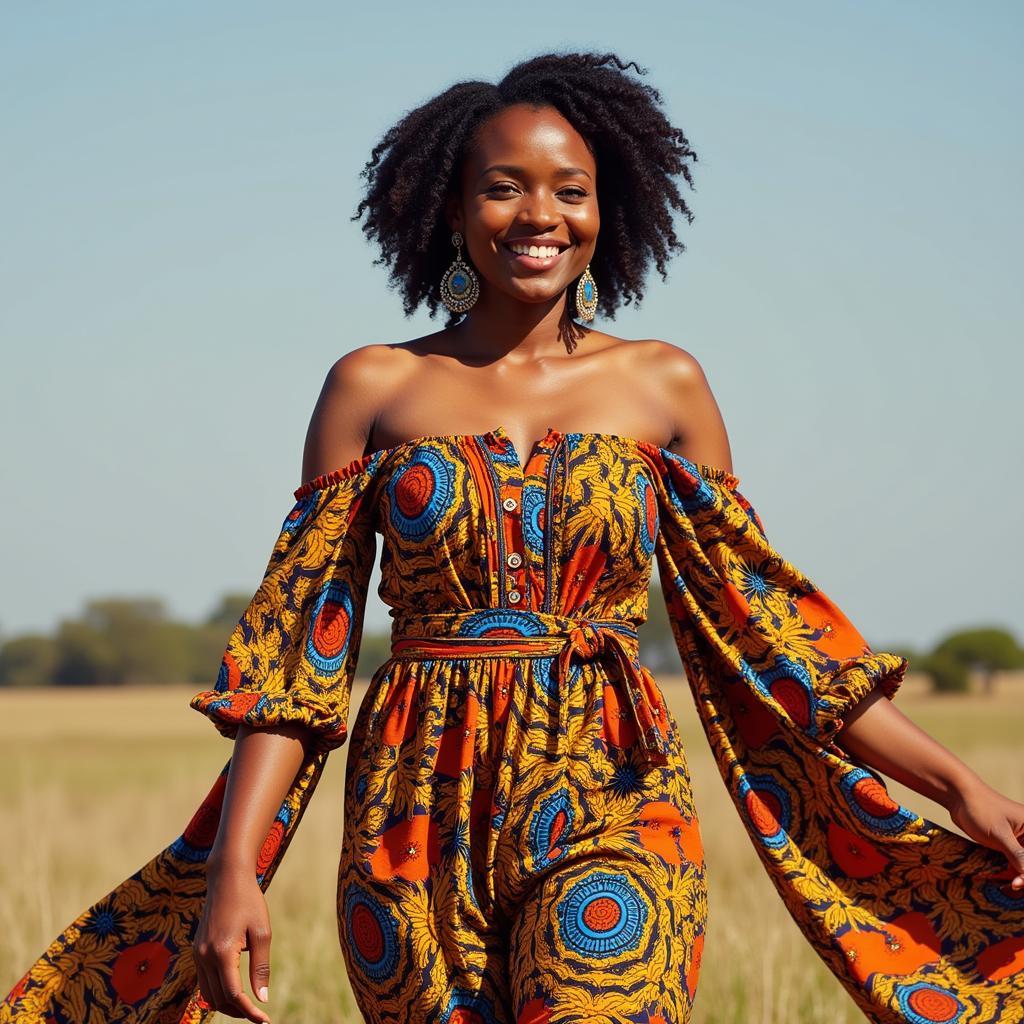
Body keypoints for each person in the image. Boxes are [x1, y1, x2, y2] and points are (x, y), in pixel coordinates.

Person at [3, 50, 1023, 1024]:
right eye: (504, 187)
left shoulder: (663, 384)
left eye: (569, 189)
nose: (540, 214)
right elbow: (295, 659)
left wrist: (957, 783)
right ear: (450, 206)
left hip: (614, 786)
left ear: (603, 209)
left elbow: (776, 637)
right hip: (411, 812)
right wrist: (232, 872)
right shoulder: (373, 387)